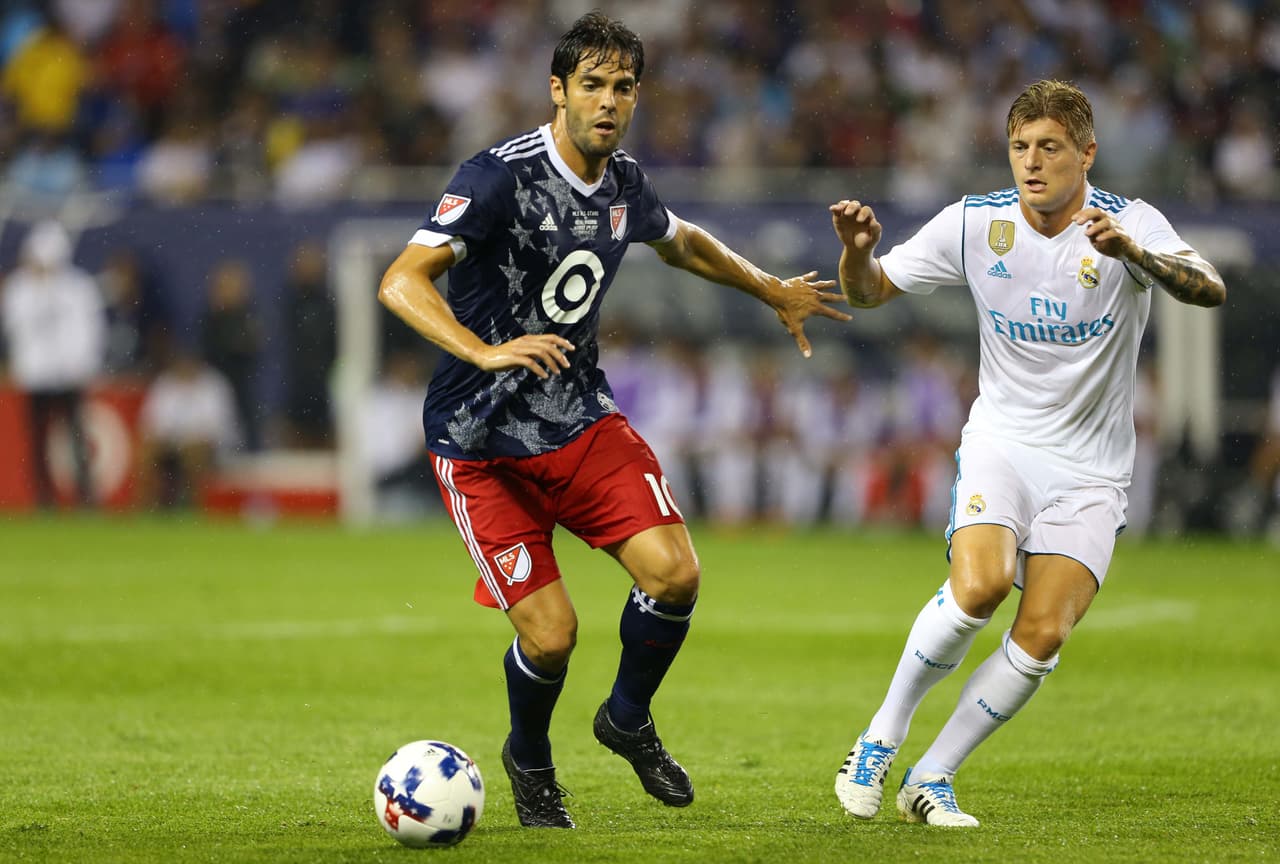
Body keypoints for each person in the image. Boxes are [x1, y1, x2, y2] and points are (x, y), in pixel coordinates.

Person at [378, 11, 848, 830]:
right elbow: (401, 280)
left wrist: (771, 288)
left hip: (579, 418)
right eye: (591, 84)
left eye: (623, 87)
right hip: (479, 440)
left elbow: (683, 242)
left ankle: (626, 718)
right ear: (557, 91)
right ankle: (530, 759)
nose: (607, 101)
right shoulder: (497, 178)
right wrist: (484, 351)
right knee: (551, 637)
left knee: (675, 574)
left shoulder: (625, 183)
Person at [828, 79, 1225, 827]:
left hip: (1093, 469)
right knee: (979, 587)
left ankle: (932, 776)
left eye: (1049, 147)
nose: (1032, 162)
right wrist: (857, 254)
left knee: (1041, 637)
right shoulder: (976, 223)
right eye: (1020, 147)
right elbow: (870, 292)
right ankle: (879, 738)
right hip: (1005, 444)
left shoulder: (1130, 223)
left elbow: (1209, 288)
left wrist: (1136, 253)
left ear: (1087, 153)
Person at [0, 220, 105, 507]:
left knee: (75, 435)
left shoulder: (78, 286)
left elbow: (91, 329)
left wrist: (85, 363)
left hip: (70, 373)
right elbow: (13, 327)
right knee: (37, 437)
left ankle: (85, 495)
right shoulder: (19, 288)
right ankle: (43, 496)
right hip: (35, 374)